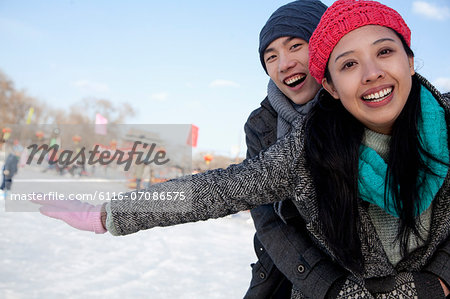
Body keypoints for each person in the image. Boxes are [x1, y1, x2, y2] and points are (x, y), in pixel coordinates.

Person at [34, 0, 449, 298]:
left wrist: (440, 280)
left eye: (385, 52)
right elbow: (218, 190)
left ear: (410, 60)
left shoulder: (445, 119)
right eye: (348, 64)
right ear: (331, 86)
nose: (373, 72)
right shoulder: (299, 147)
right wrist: (110, 214)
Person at [243, 1, 348, 298]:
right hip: (288, 273)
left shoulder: (360, 106)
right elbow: (268, 219)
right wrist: (324, 284)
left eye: (295, 46)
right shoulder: (260, 124)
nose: (283, 63)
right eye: (271, 55)